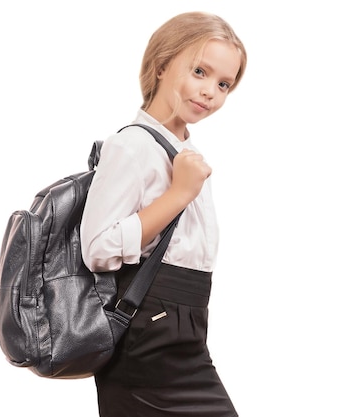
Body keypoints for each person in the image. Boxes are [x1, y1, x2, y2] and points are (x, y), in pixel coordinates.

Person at [80, 11, 247, 417]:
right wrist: (179, 194)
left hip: (185, 327)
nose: (210, 92)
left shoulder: (183, 155)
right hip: (147, 332)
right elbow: (97, 247)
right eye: (200, 71)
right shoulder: (132, 147)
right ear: (161, 66)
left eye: (224, 84)